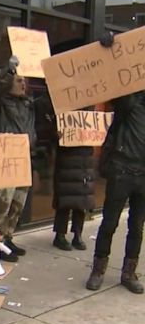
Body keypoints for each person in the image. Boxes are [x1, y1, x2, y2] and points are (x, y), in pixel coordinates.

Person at [86, 31, 145, 294]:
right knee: (109, 223)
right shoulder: (130, 103)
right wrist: (111, 50)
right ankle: (98, 269)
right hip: (122, 170)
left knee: (137, 226)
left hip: (144, 176)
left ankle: (128, 272)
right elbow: (118, 81)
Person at [0, 55, 37, 261]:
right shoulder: (0, 103)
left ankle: (7, 238)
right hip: (6, 160)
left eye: (24, 80)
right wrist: (9, 73)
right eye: (18, 80)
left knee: (17, 205)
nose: (23, 83)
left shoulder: (29, 104)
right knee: (2, 205)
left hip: (24, 159)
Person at [48, 104, 95, 251]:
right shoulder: (62, 111)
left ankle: (77, 234)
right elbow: (51, 131)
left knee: (82, 199)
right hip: (67, 157)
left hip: (84, 159)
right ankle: (60, 235)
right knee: (65, 198)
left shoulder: (89, 112)